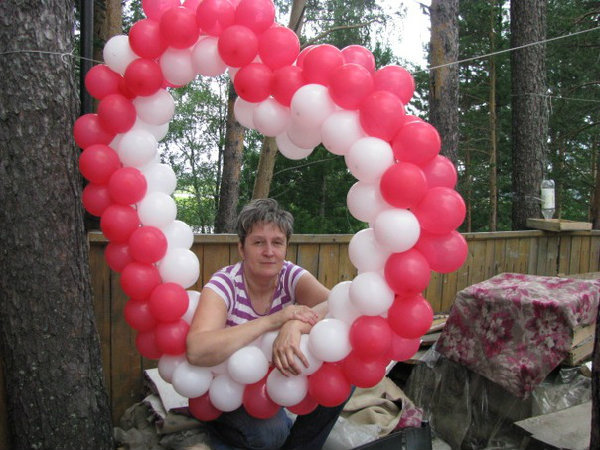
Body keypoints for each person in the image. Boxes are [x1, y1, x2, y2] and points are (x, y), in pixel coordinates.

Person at [186, 198, 348, 450]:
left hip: (275, 382)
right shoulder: (224, 284)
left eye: (277, 242)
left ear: (286, 248)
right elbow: (197, 350)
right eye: (259, 242)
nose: (269, 252)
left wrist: (294, 326)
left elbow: (337, 303)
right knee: (272, 434)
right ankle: (221, 431)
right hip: (230, 390)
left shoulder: (290, 275)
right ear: (242, 248)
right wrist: (274, 320)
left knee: (342, 370)